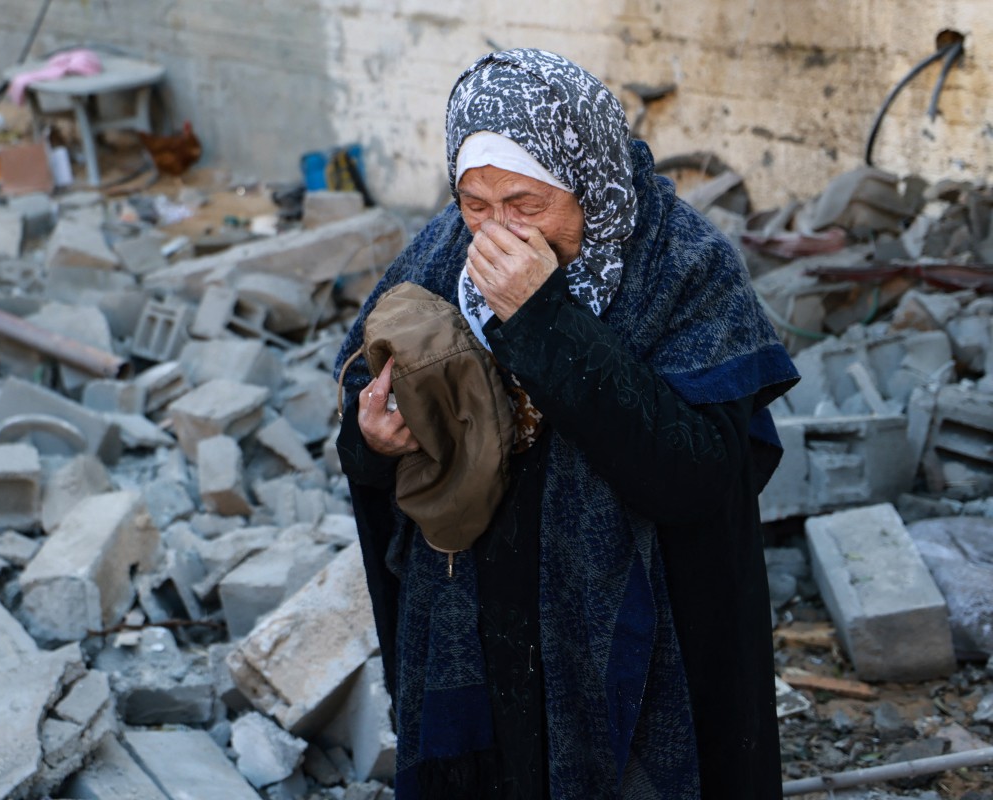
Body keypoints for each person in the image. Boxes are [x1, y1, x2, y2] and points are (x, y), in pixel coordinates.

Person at [334, 48, 800, 800]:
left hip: (629, 636)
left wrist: (544, 317)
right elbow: (364, 394)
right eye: (475, 204)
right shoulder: (443, 251)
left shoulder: (682, 268)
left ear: (592, 183)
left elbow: (700, 477)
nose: (497, 235)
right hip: (482, 629)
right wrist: (372, 441)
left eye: (526, 205)